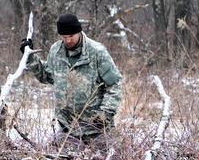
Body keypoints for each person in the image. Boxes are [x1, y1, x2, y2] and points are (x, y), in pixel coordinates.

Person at [20, 13, 123, 144]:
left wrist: (104, 114)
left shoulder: (97, 52)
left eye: (71, 36)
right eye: (64, 37)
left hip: (96, 130)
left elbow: (114, 84)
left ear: (79, 32)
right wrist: (29, 56)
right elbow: (47, 76)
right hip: (66, 128)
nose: (68, 40)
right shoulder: (56, 51)